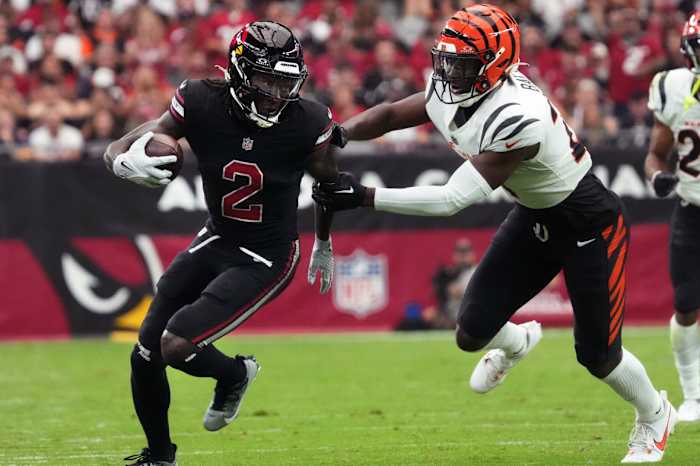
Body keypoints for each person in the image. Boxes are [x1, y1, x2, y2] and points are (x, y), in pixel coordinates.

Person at [314, 4, 675, 463]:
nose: (447, 72)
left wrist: (364, 196)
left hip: (588, 224)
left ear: (495, 65)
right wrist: (337, 136)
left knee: (598, 356)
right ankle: (518, 342)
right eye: (444, 58)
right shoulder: (454, 87)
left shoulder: (516, 116)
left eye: (460, 64)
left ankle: (654, 414)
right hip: (534, 216)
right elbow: (387, 115)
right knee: (470, 332)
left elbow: (451, 199)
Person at [104, 22, 339, 466]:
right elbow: (140, 138)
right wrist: (118, 160)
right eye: (267, 79)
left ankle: (234, 373)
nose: (276, 92)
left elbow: (329, 184)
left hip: (268, 255)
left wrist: (323, 242)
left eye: (286, 81)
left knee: (176, 344)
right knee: (145, 353)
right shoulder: (199, 99)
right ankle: (159, 456)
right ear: (238, 72)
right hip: (217, 236)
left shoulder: (309, 120)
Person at [645, 11, 700, 424]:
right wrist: (658, 177)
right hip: (691, 209)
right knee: (685, 305)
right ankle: (694, 396)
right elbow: (655, 154)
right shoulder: (672, 87)